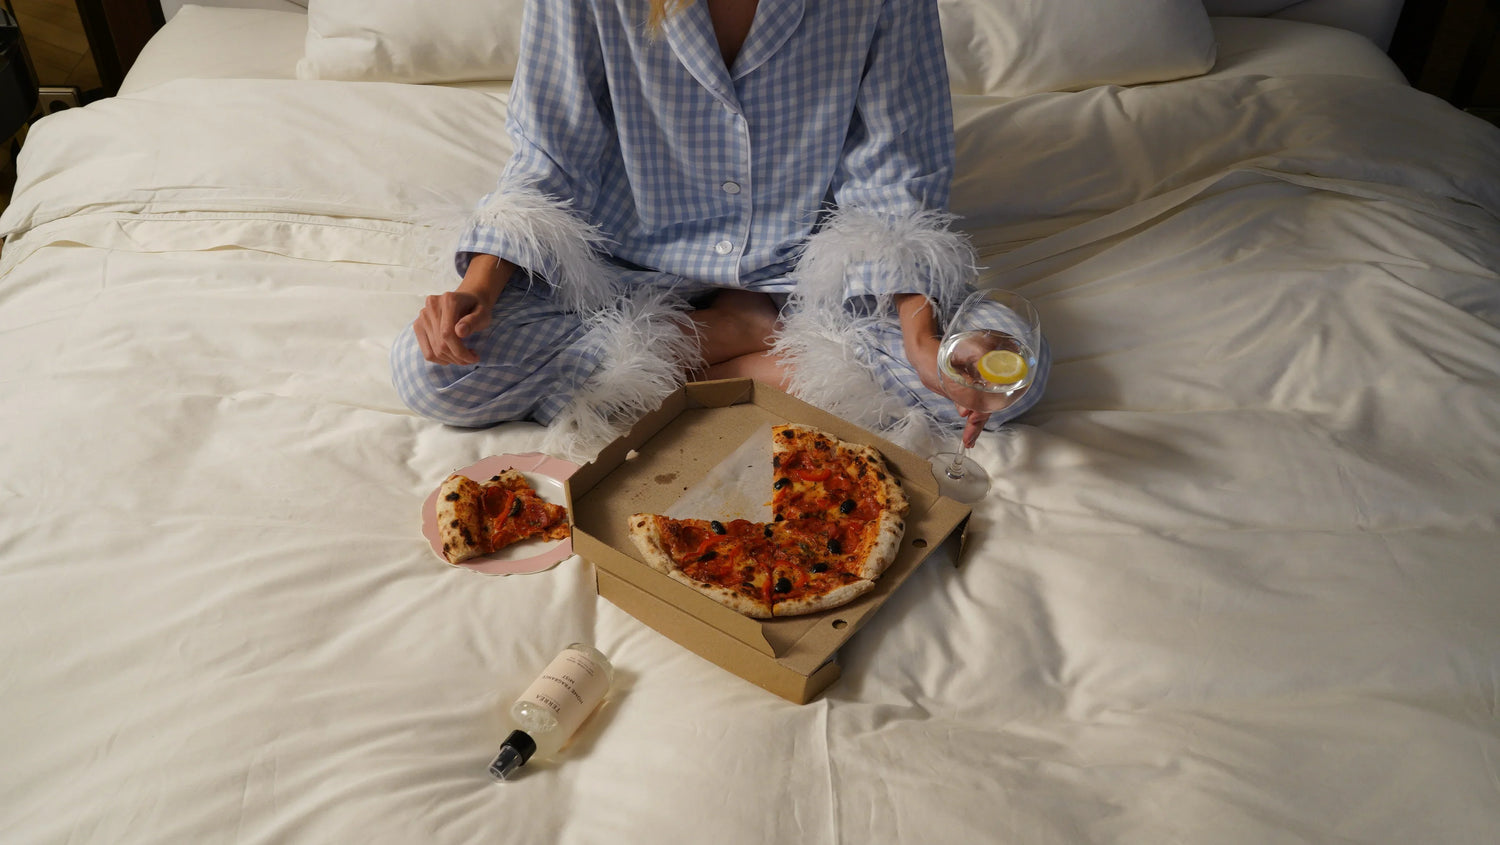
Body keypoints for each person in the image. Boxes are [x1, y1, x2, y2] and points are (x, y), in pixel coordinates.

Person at [392, 0, 1049, 459]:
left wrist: (916, 332)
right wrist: (481, 284)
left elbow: (893, 168)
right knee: (432, 372)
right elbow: (550, 155)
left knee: (1009, 377)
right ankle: (749, 342)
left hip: (815, 274)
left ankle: (687, 364)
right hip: (634, 269)